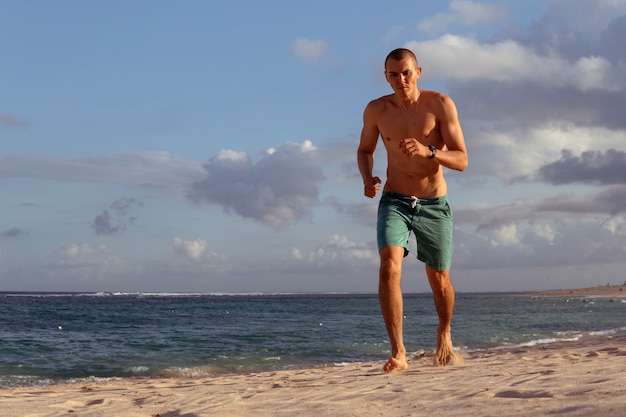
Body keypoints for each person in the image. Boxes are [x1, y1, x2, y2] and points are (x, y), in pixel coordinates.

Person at [357, 48, 468, 372]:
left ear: (418, 71)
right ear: (386, 76)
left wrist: (430, 151)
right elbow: (365, 149)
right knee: (389, 267)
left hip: (434, 203)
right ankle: (399, 353)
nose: (400, 80)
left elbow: (462, 159)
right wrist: (367, 177)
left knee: (440, 279)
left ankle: (444, 330)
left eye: (406, 73)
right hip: (395, 200)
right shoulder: (377, 110)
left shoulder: (440, 105)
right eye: (393, 74)